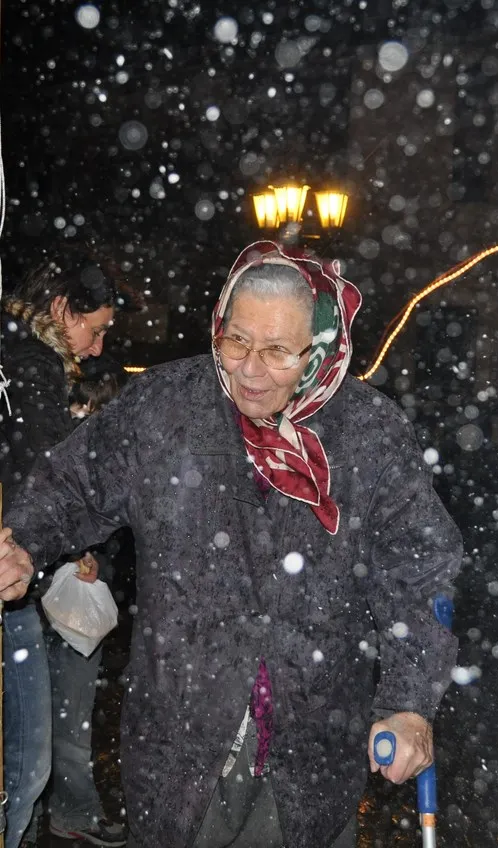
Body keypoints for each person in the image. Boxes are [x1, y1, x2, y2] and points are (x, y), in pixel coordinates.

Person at [0, 241, 463, 848]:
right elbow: (73, 483)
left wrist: (409, 702)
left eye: (277, 351)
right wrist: (24, 542)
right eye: (236, 341)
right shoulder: (166, 408)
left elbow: (417, 571)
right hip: (181, 735)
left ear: (320, 348)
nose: (249, 369)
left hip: (312, 740)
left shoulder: (368, 433)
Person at [0, 254, 116, 848]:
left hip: (22, 574)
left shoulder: (18, 355)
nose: (97, 348)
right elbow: (44, 475)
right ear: (63, 310)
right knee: (25, 763)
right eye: (95, 329)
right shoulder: (29, 365)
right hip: (11, 581)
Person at [22, 367, 129, 847]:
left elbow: (117, 530)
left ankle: (68, 812)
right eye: (78, 405)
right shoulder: (40, 440)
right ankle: (31, 817)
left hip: (70, 607)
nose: (82, 417)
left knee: (66, 718)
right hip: (27, 602)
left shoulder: (112, 458)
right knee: (34, 720)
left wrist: (99, 563)